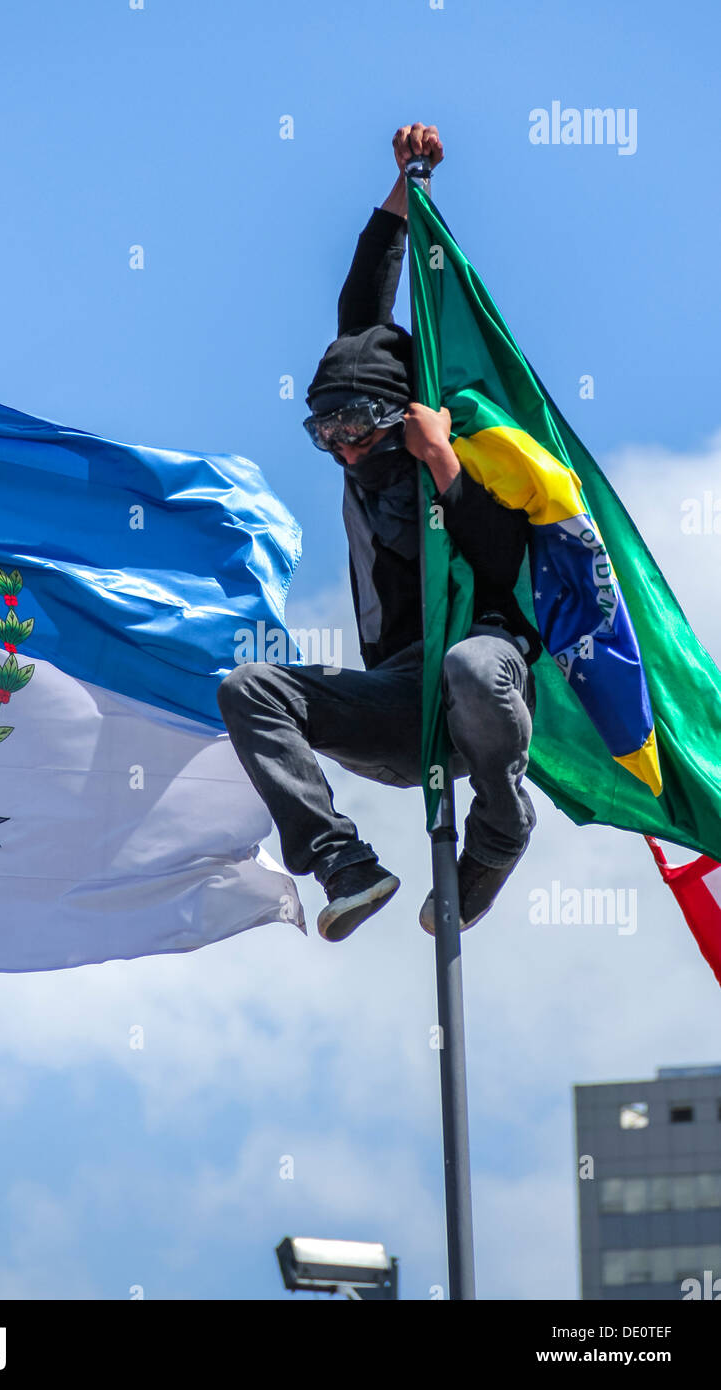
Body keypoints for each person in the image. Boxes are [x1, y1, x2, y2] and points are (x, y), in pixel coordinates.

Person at [218, 123, 542, 943]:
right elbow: (365, 297)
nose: (348, 448)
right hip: (402, 695)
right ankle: (344, 863)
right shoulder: (355, 436)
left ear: (400, 415)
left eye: (361, 427)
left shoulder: (451, 446)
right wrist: (407, 180)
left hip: (488, 675)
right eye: (326, 435)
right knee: (250, 687)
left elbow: (505, 568)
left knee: (471, 663)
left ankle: (499, 829)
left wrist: (445, 471)